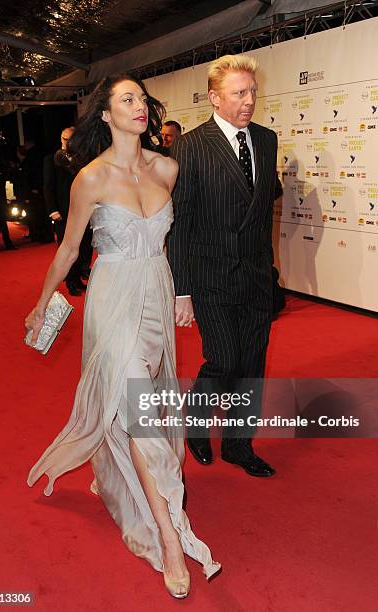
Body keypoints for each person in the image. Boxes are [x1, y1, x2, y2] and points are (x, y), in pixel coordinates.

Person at [25, 73, 220, 599]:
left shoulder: (168, 167)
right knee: (139, 413)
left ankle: (113, 472)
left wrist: (185, 294)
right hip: (112, 300)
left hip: (156, 290)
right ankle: (169, 540)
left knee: (146, 405)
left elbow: (176, 241)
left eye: (141, 99)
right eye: (126, 100)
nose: (139, 107)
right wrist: (43, 300)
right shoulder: (90, 177)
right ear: (106, 116)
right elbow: (69, 250)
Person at [167, 54, 277, 477]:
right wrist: (182, 290)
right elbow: (182, 222)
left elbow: (263, 210)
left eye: (252, 92)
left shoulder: (266, 140)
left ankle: (238, 445)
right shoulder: (191, 145)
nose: (249, 101)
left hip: (255, 276)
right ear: (215, 98)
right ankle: (195, 421)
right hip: (211, 276)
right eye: (239, 94)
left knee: (252, 364)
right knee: (224, 359)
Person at [43, 127, 92, 296]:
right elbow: (48, 187)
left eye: (70, 139)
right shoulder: (51, 160)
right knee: (67, 247)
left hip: (83, 209)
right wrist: (53, 210)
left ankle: (78, 277)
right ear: (61, 139)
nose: (67, 142)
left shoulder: (83, 159)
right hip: (62, 213)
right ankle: (70, 281)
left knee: (84, 245)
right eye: (64, 139)